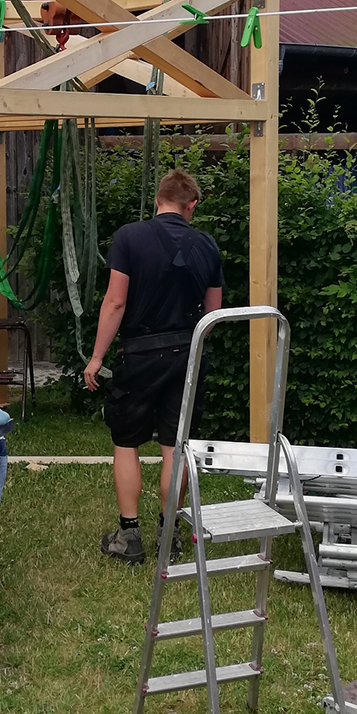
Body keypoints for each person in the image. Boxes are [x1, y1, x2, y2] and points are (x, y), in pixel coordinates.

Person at [84, 169, 223, 562]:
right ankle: (169, 534)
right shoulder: (208, 245)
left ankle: (128, 537)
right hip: (187, 358)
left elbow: (114, 302)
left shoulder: (129, 237)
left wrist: (96, 357)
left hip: (139, 356)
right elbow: (212, 314)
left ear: (158, 199)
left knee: (125, 442)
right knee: (174, 449)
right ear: (191, 205)